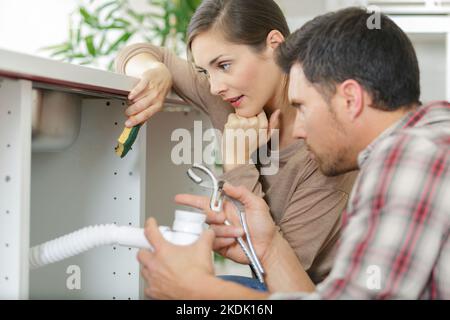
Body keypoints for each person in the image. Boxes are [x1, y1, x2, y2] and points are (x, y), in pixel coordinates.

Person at [137, 7, 450, 299]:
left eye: (302, 107)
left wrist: (198, 291)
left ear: (351, 99)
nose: (298, 129)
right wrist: (270, 244)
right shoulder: (425, 139)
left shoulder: (412, 158)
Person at [116, 0, 357, 286]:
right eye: (206, 72)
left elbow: (276, 269)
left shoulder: (326, 150)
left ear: (275, 45)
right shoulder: (227, 96)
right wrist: (155, 72)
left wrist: (237, 160)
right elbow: (136, 53)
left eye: (224, 65)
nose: (215, 86)